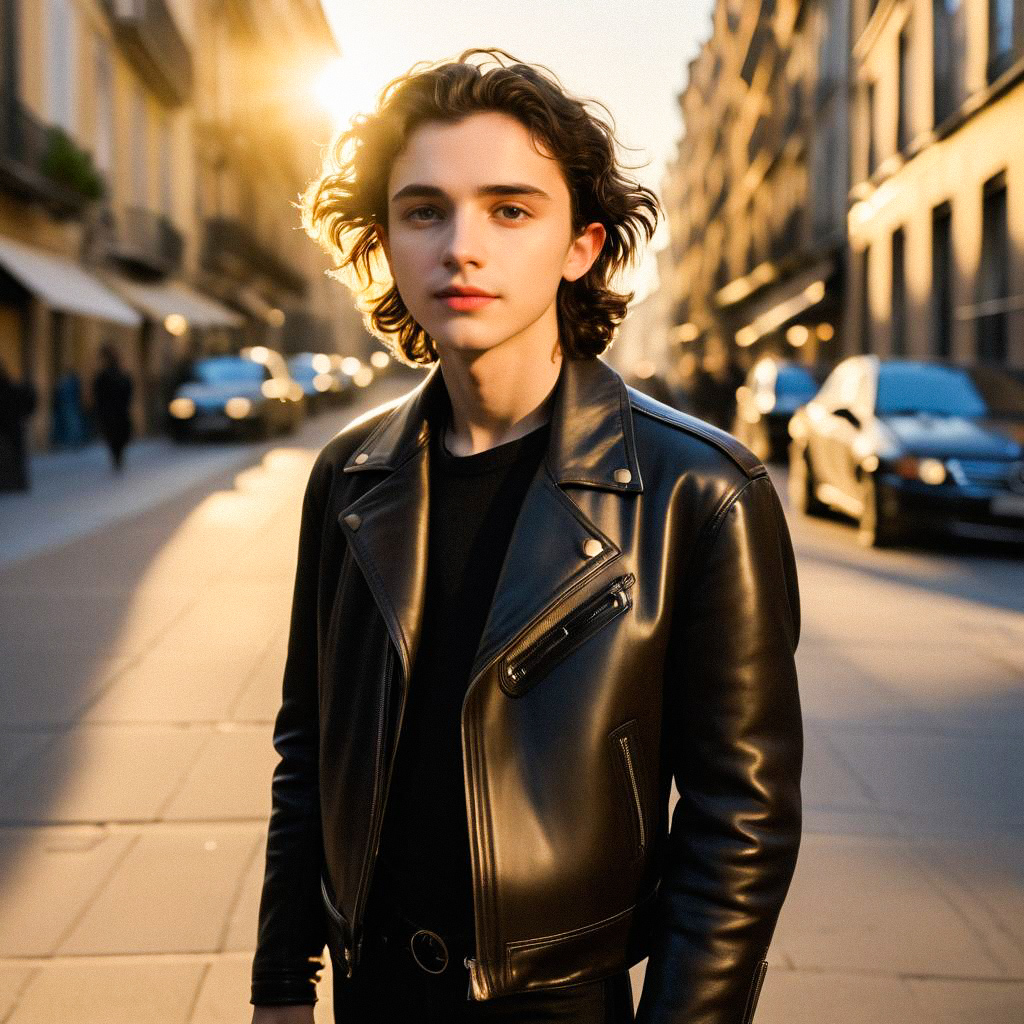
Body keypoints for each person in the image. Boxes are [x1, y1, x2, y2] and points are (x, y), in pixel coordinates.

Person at [250, 50, 803, 1024]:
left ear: (581, 244)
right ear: (384, 238)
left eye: (509, 209)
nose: (461, 246)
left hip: (559, 1005)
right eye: (424, 210)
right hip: (368, 994)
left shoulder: (699, 491)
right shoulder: (348, 475)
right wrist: (281, 981)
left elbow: (740, 822)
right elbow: (310, 741)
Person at [90, 342, 134, 473]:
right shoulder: (115, 375)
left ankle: (117, 457)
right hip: (115, 412)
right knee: (116, 436)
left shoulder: (107, 376)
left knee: (115, 436)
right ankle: (117, 457)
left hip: (113, 412)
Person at [0, 357, 37, 491]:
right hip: (13, 429)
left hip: (10, 429)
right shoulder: (13, 388)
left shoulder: (11, 389)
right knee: (16, 456)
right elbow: (28, 403)